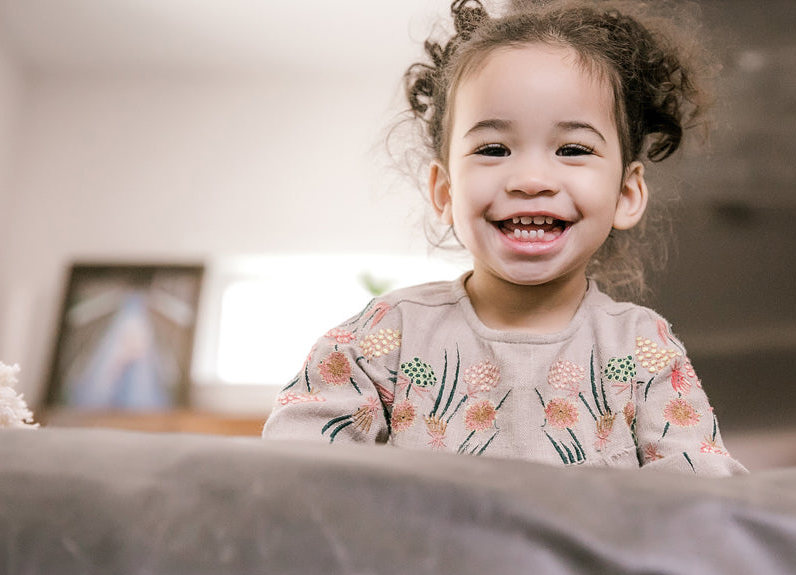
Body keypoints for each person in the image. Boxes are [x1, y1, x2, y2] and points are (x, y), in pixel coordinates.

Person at [263, 0, 747, 476]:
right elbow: (287, 473)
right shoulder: (385, 337)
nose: (531, 179)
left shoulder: (643, 348)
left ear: (625, 192)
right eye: (494, 148)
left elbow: (702, 501)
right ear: (445, 190)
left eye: (573, 148)